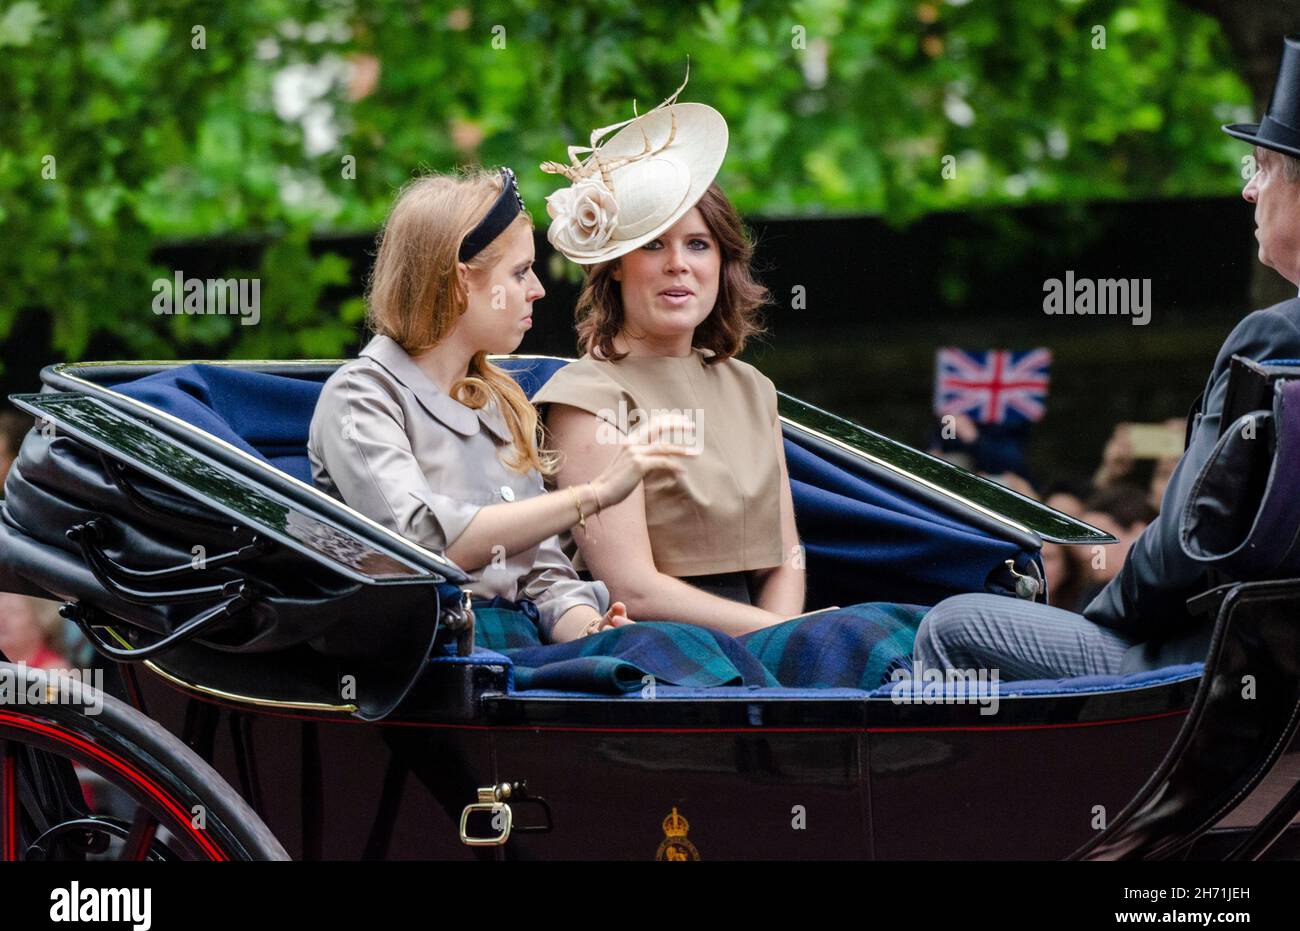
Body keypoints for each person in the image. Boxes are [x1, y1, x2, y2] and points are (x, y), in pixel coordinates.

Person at [913, 35, 1300, 679]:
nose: (1249, 192)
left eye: (1260, 168)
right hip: (1266, 659)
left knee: (958, 623)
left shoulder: (1275, 337)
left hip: (1223, 669)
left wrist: (1092, 616)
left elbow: (1183, 547)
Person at [308, 167, 776, 691]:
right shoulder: (362, 396)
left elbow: (546, 579)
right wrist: (593, 496)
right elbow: (417, 542)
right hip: (436, 655)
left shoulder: (498, 399)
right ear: (461, 280)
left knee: (666, 644)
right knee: (666, 651)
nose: (535, 290)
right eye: (519, 273)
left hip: (520, 645)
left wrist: (593, 628)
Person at [529, 77, 927, 687]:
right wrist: (772, 637)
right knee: (859, 641)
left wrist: (787, 634)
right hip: (664, 647)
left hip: (766, 625)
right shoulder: (586, 397)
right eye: (653, 245)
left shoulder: (752, 387)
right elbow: (633, 586)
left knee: (920, 632)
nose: (678, 264)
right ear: (613, 270)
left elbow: (787, 552)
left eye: (698, 244)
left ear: (723, 263)